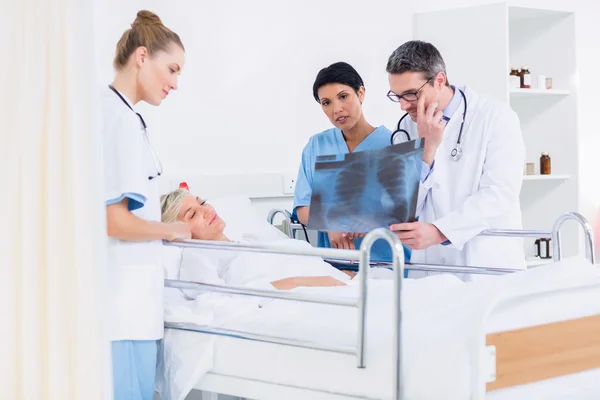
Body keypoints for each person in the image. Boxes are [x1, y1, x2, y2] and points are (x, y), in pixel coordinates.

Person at [102, 10, 192, 400]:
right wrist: (174, 229)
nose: (175, 83)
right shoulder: (116, 119)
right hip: (121, 309)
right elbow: (115, 222)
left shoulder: (126, 116)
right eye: (171, 70)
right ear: (142, 57)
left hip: (134, 305)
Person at [385, 40, 526, 279]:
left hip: (485, 266)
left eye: (410, 94)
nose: (402, 105)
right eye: (396, 96)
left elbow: (500, 193)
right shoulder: (405, 130)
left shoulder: (495, 117)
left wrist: (440, 232)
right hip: (430, 271)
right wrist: (427, 152)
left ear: (439, 81)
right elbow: (402, 204)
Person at [293, 61, 411, 265]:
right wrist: (330, 223)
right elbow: (302, 209)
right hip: (334, 264)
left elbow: (407, 210)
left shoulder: (394, 143)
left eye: (343, 96)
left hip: (387, 263)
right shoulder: (317, 146)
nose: (336, 109)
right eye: (326, 102)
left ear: (361, 93)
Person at [160, 188, 357, 289]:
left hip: (344, 286)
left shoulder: (248, 241)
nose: (205, 210)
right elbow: (220, 303)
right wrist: (301, 281)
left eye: (202, 202)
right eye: (192, 214)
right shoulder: (198, 257)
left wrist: (347, 277)